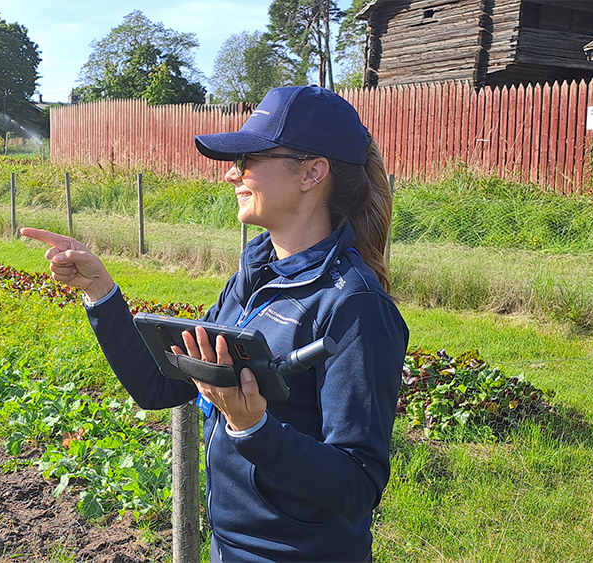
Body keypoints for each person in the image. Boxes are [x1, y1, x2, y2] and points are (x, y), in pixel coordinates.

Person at [21, 85, 408, 563]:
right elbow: (160, 387)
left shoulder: (354, 304)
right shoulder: (253, 278)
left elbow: (359, 485)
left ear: (313, 173)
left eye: (248, 159)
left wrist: (254, 428)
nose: (231, 174)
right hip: (227, 546)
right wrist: (100, 292)